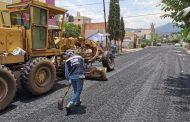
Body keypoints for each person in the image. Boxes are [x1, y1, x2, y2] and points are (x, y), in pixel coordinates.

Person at [65, 50, 85, 115]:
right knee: (79, 91)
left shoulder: (67, 61)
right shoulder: (80, 57)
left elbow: (66, 73)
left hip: (72, 77)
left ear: (68, 55)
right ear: (73, 53)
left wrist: (69, 80)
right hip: (79, 75)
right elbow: (83, 67)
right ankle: (70, 103)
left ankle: (78, 101)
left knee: (76, 90)